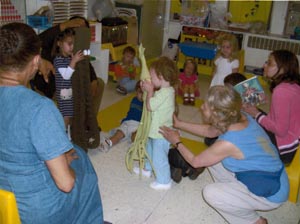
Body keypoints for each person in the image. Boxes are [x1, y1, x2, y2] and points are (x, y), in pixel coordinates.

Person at [0, 23, 103, 223]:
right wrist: (64, 165)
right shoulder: (40, 108)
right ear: (37, 61)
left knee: (71, 152)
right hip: (37, 211)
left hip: (5, 201)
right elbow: (66, 184)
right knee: (84, 170)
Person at [160, 85, 289, 224]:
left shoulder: (229, 142)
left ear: (216, 113)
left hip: (271, 191)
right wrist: (179, 124)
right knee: (210, 157)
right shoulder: (239, 117)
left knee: (210, 193)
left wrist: (176, 142)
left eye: (206, 105)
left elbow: (195, 161)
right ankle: (235, 195)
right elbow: (210, 131)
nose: (202, 107)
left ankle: (254, 221)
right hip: (269, 175)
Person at [32, 16, 105, 116]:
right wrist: (63, 26)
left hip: (69, 82)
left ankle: (88, 120)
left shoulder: (78, 46)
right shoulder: (57, 43)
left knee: (99, 84)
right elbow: (36, 41)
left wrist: (93, 79)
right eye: (76, 27)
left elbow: (86, 63)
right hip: (54, 86)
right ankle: (74, 123)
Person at [243, 49, 300, 164]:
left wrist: (257, 114)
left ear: (282, 69)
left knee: (247, 117)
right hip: (295, 141)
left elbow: (280, 130)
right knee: (250, 112)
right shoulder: (293, 85)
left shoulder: (281, 91)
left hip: (286, 150)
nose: (264, 65)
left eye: (269, 63)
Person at [138, 56, 178, 190]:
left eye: (152, 76)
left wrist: (149, 91)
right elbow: (151, 99)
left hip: (160, 134)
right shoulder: (165, 91)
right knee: (149, 151)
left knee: (159, 158)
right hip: (154, 131)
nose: (150, 78)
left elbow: (150, 106)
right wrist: (147, 90)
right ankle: (147, 168)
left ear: (161, 76)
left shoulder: (165, 93)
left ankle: (164, 181)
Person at [52, 28, 85, 134]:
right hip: (64, 96)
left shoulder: (69, 59)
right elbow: (66, 76)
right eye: (69, 43)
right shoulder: (58, 60)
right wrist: (74, 61)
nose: (72, 47)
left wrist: (74, 60)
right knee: (65, 118)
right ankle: (61, 137)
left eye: (73, 44)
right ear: (59, 44)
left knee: (70, 117)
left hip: (71, 94)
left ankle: (68, 136)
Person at [99, 81, 143, 152]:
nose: (141, 95)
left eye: (144, 93)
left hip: (138, 125)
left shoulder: (148, 104)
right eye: (139, 92)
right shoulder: (134, 99)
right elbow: (131, 113)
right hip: (128, 123)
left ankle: (135, 148)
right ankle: (109, 142)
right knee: (119, 134)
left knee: (136, 137)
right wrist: (124, 121)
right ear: (136, 92)